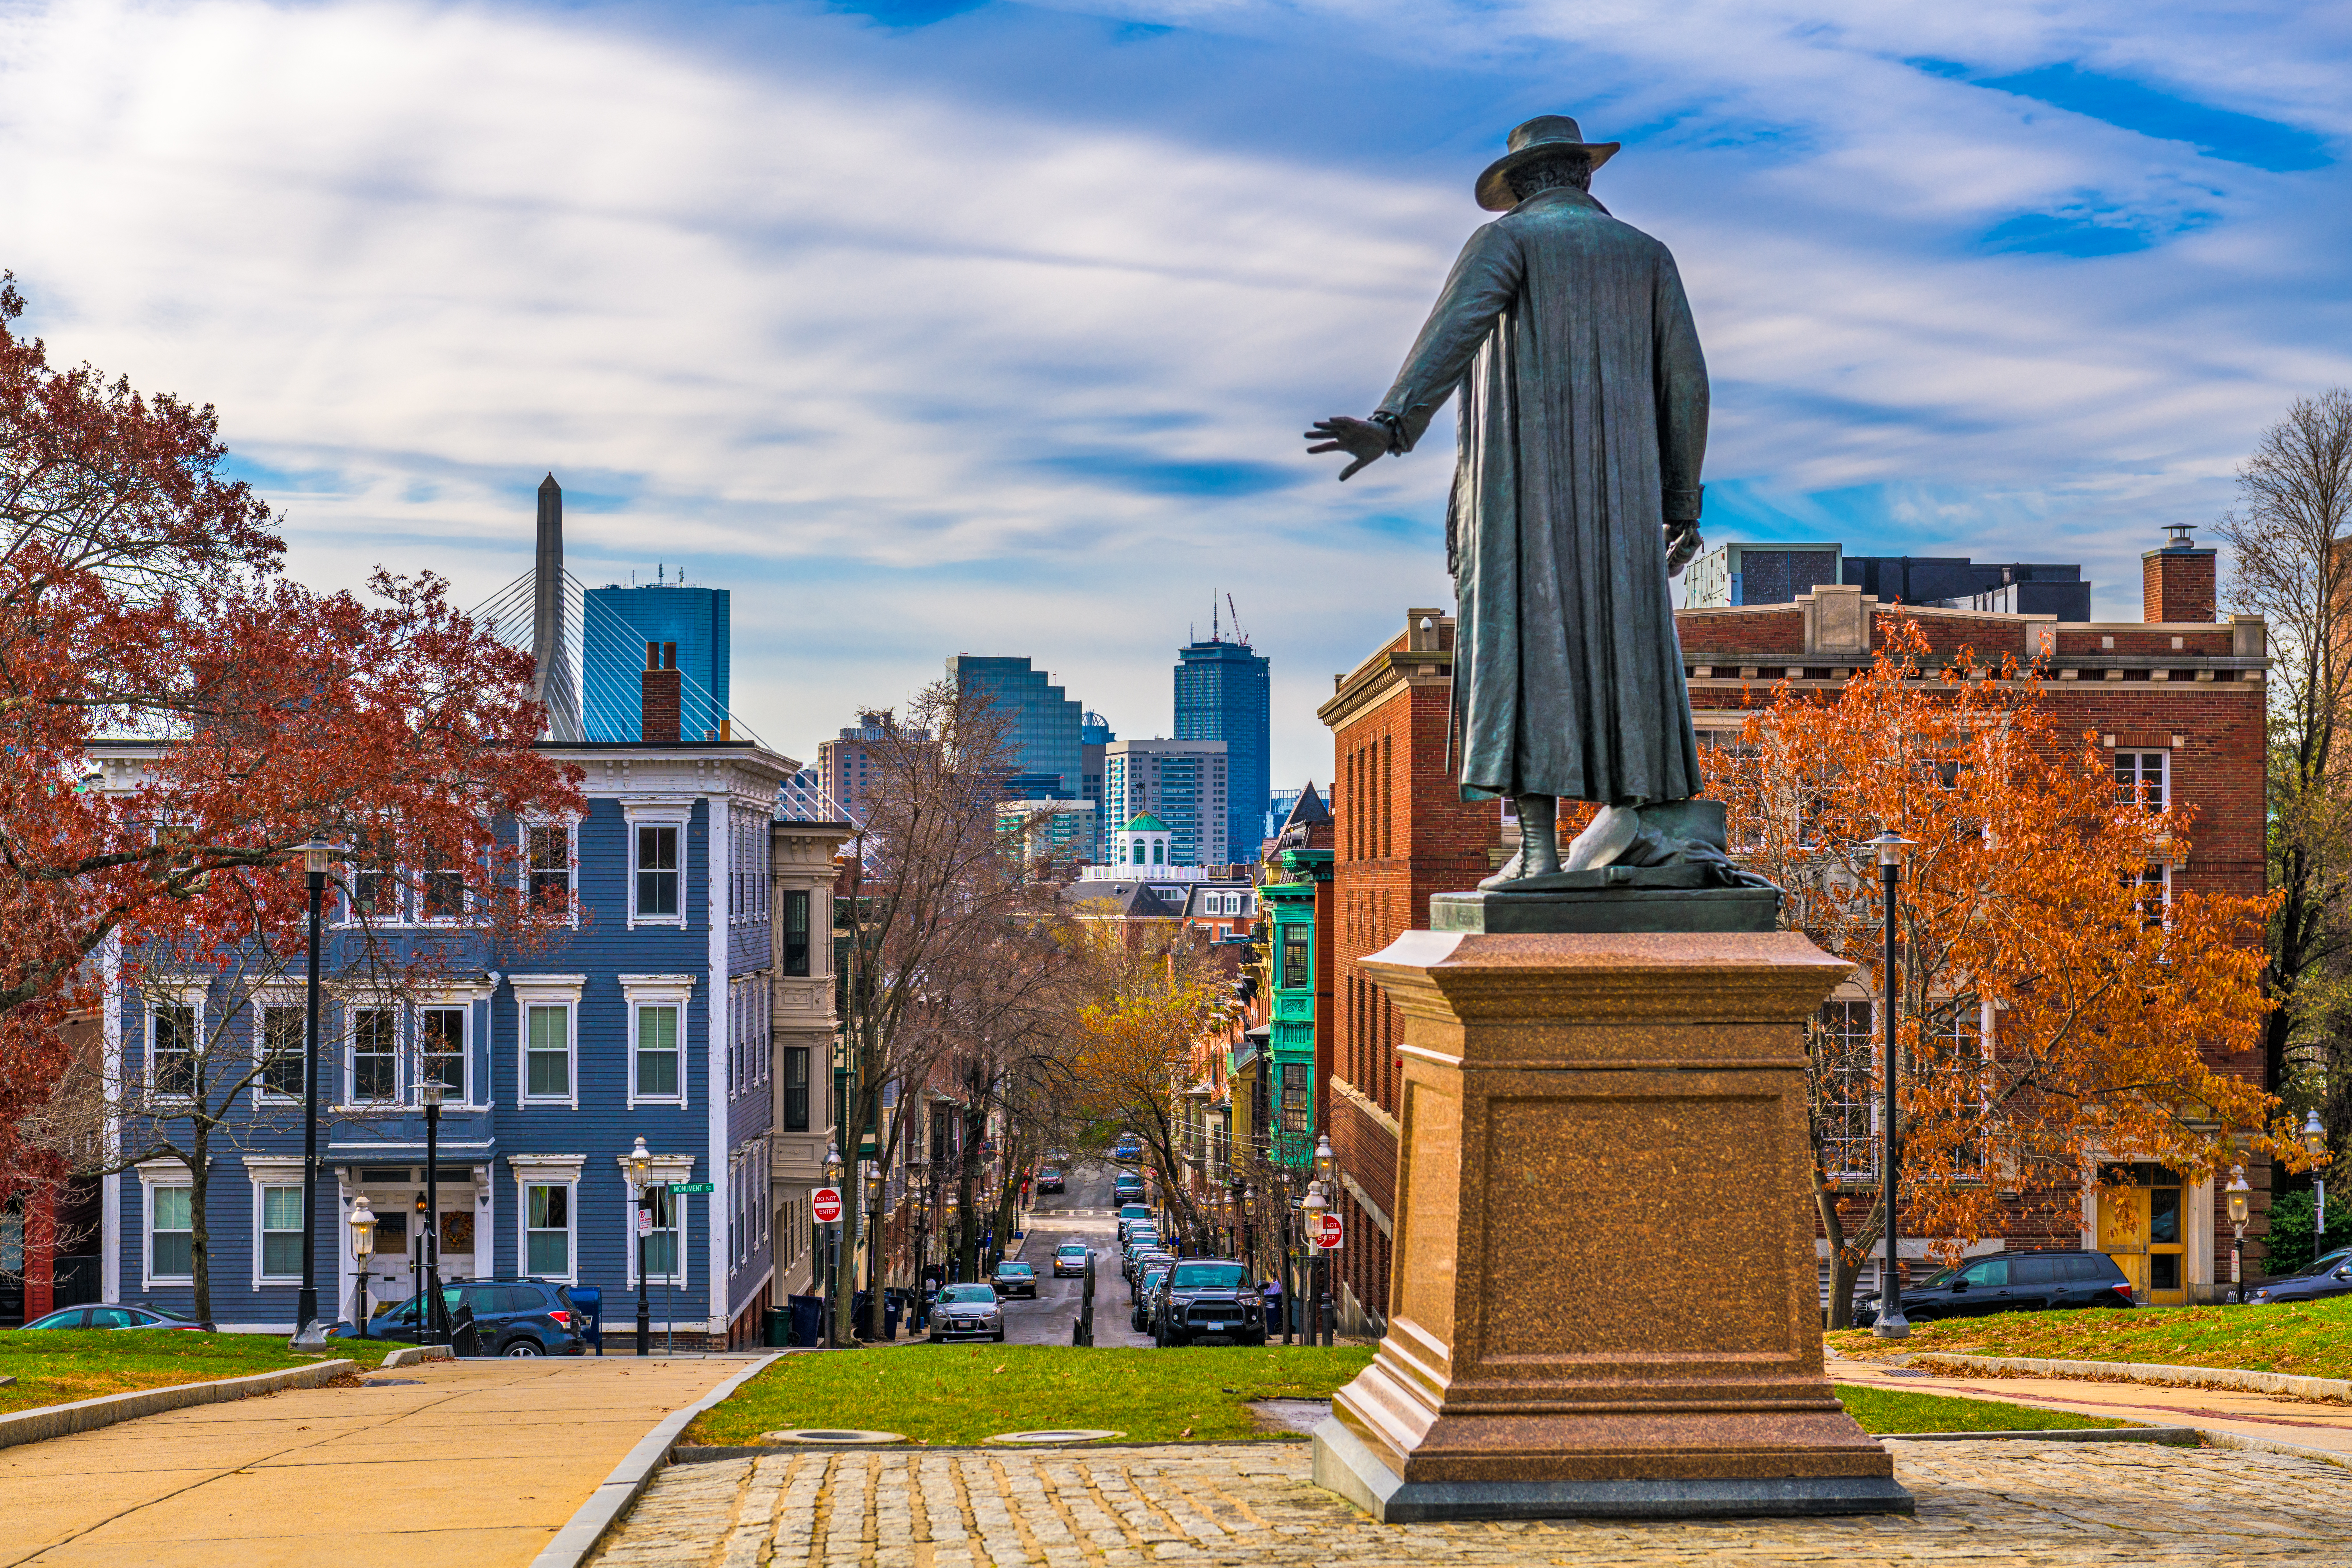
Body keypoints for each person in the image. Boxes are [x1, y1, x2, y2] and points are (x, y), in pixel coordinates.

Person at [1308, 115, 1709, 885]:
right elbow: (1687, 383)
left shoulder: (1507, 243)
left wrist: (1392, 426)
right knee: (1626, 645)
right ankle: (1636, 818)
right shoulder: (1649, 258)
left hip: (1520, 493)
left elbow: (1452, 335)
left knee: (1524, 648)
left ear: (1520, 187)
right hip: (1626, 505)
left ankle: (1539, 849)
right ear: (1584, 177)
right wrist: (1681, 505)